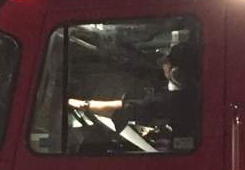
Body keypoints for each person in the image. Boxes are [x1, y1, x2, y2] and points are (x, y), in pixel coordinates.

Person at [68, 42, 200, 147]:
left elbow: (131, 109)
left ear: (175, 73)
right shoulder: (189, 95)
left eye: (167, 63)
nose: (163, 66)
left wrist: (83, 104)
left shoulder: (176, 100)